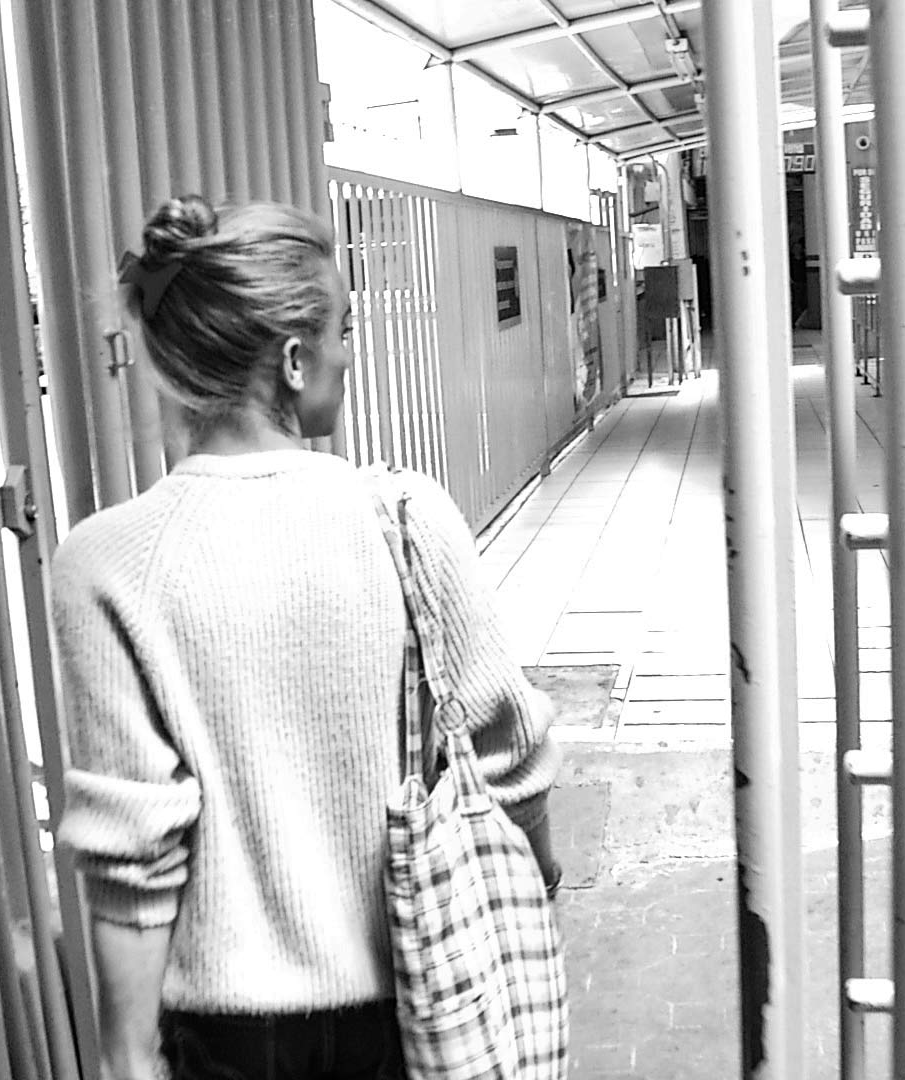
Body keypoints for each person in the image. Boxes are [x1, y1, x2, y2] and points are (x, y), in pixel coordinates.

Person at [51, 195, 563, 1080]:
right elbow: (511, 755)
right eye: (344, 331)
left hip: (224, 1039)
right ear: (293, 360)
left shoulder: (105, 562)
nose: (349, 355)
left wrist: (125, 1058)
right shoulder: (406, 519)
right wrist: (541, 882)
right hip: (424, 1007)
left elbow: (133, 853)